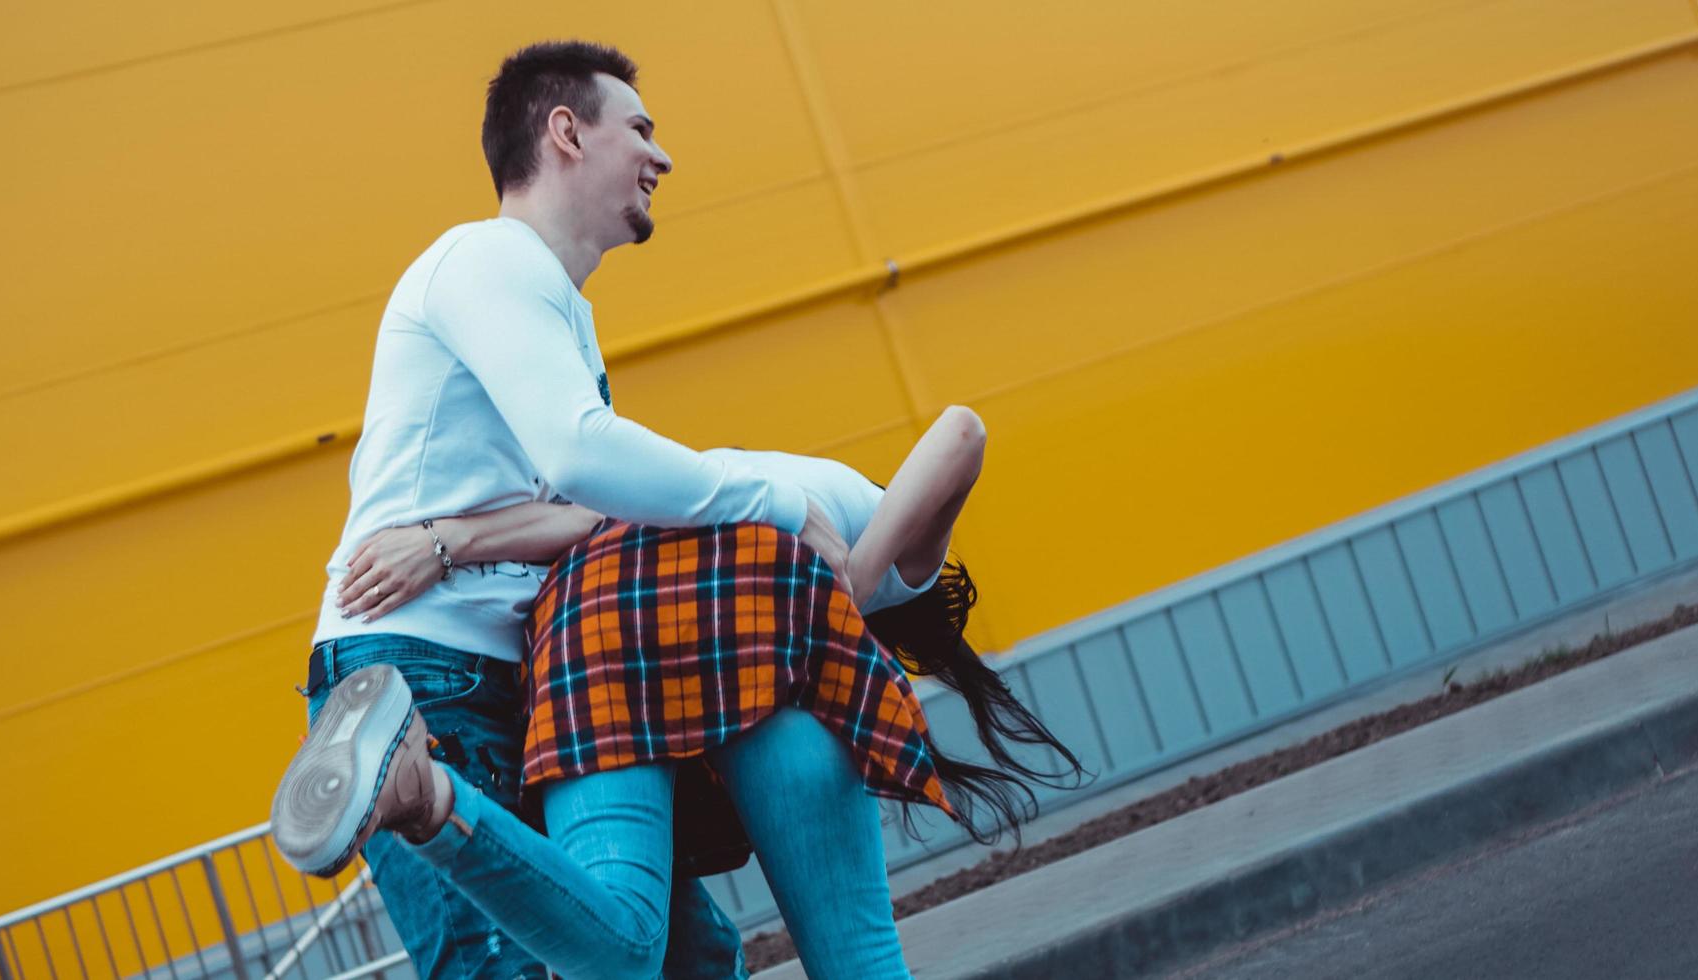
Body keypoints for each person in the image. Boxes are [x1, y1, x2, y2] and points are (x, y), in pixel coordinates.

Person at [284, 39, 859, 980]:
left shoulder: (555, 309)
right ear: (565, 133)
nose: (661, 157)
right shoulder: (485, 259)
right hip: (421, 674)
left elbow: (592, 513)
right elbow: (582, 455)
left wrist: (452, 537)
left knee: (688, 956)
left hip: (536, 680)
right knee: (505, 969)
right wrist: (775, 499)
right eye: (640, 128)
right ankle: (409, 786)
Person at [275, 407, 1090, 979]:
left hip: (590, 614)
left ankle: (430, 794)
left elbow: (581, 514)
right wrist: (848, 592)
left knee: (628, 937)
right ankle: (434, 801)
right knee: (859, 960)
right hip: (717, 613)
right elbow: (963, 431)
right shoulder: (884, 559)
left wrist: (444, 544)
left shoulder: (716, 479)